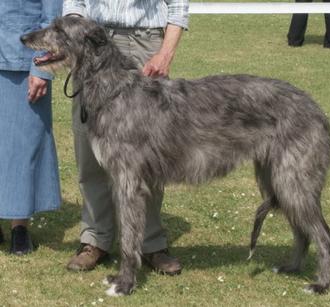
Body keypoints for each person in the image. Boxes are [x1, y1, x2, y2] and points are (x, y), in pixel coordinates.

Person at [63, 0, 189, 275]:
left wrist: (165, 52)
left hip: (146, 42)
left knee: (147, 158)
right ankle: (95, 239)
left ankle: (151, 243)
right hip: (93, 42)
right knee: (91, 153)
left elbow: (178, 3)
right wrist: (75, 32)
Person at [0, 1, 62, 255]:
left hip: (23, 61)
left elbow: (52, 18)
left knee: (24, 147)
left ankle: (19, 227)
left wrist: (41, 68)